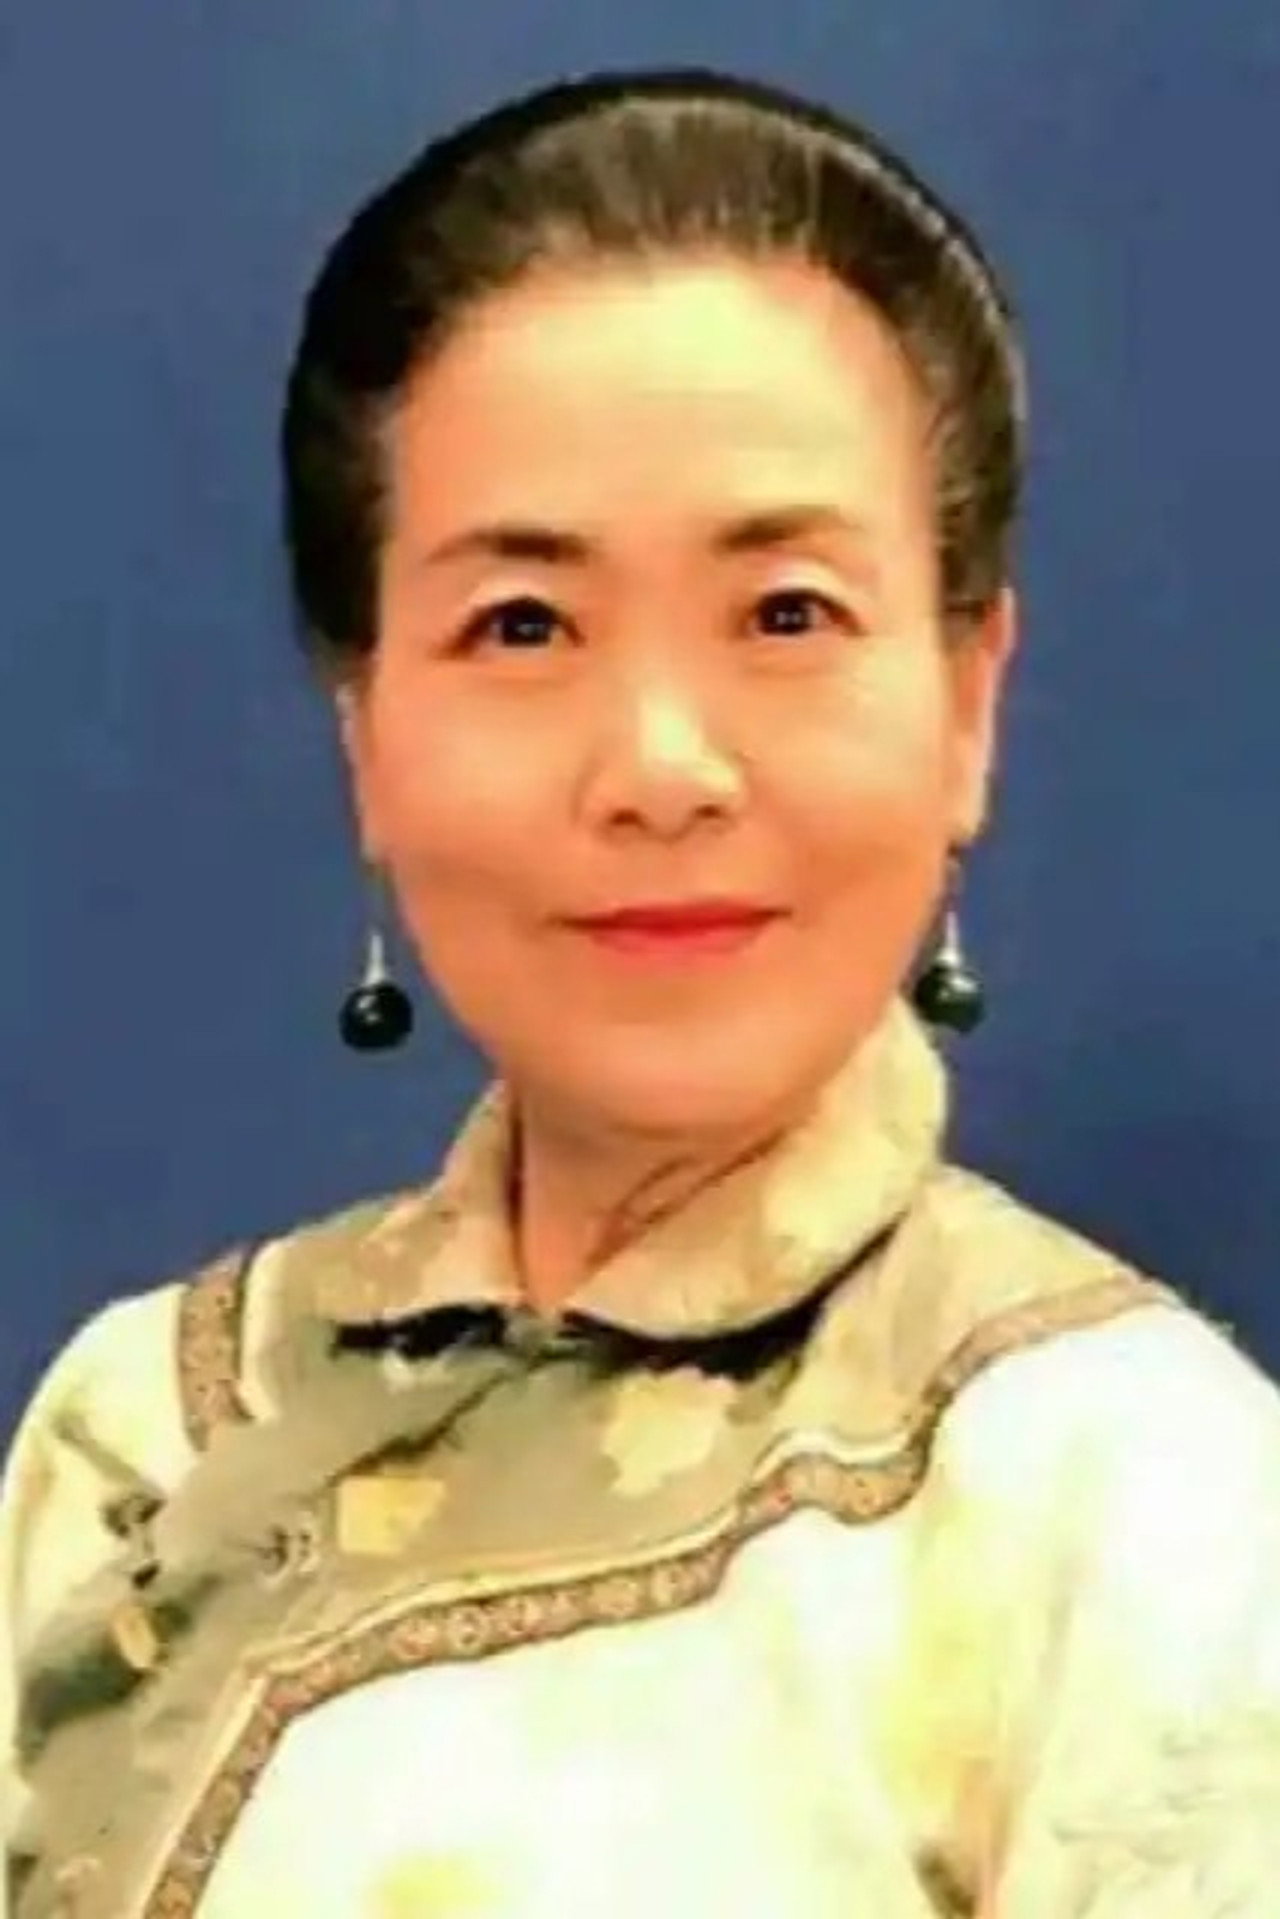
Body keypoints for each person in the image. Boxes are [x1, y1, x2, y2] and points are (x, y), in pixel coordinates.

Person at [3, 66, 1280, 1919]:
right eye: (522, 626)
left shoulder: (1138, 1500)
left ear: (968, 702)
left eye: (787, 615)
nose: (662, 766)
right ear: (366, 730)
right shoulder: (142, 1420)